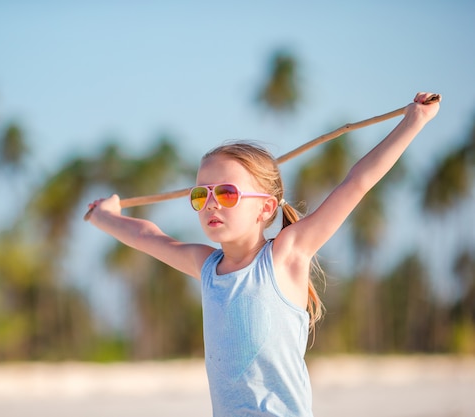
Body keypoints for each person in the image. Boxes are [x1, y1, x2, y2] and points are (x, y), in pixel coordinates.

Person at [86, 92, 440, 416]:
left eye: (226, 193)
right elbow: (150, 236)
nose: (211, 203)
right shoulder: (206, 266)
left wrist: (414, 122)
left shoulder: (285, 255)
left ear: (265, 207)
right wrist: (106, 216)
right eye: (201, 195)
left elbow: (357, 183)